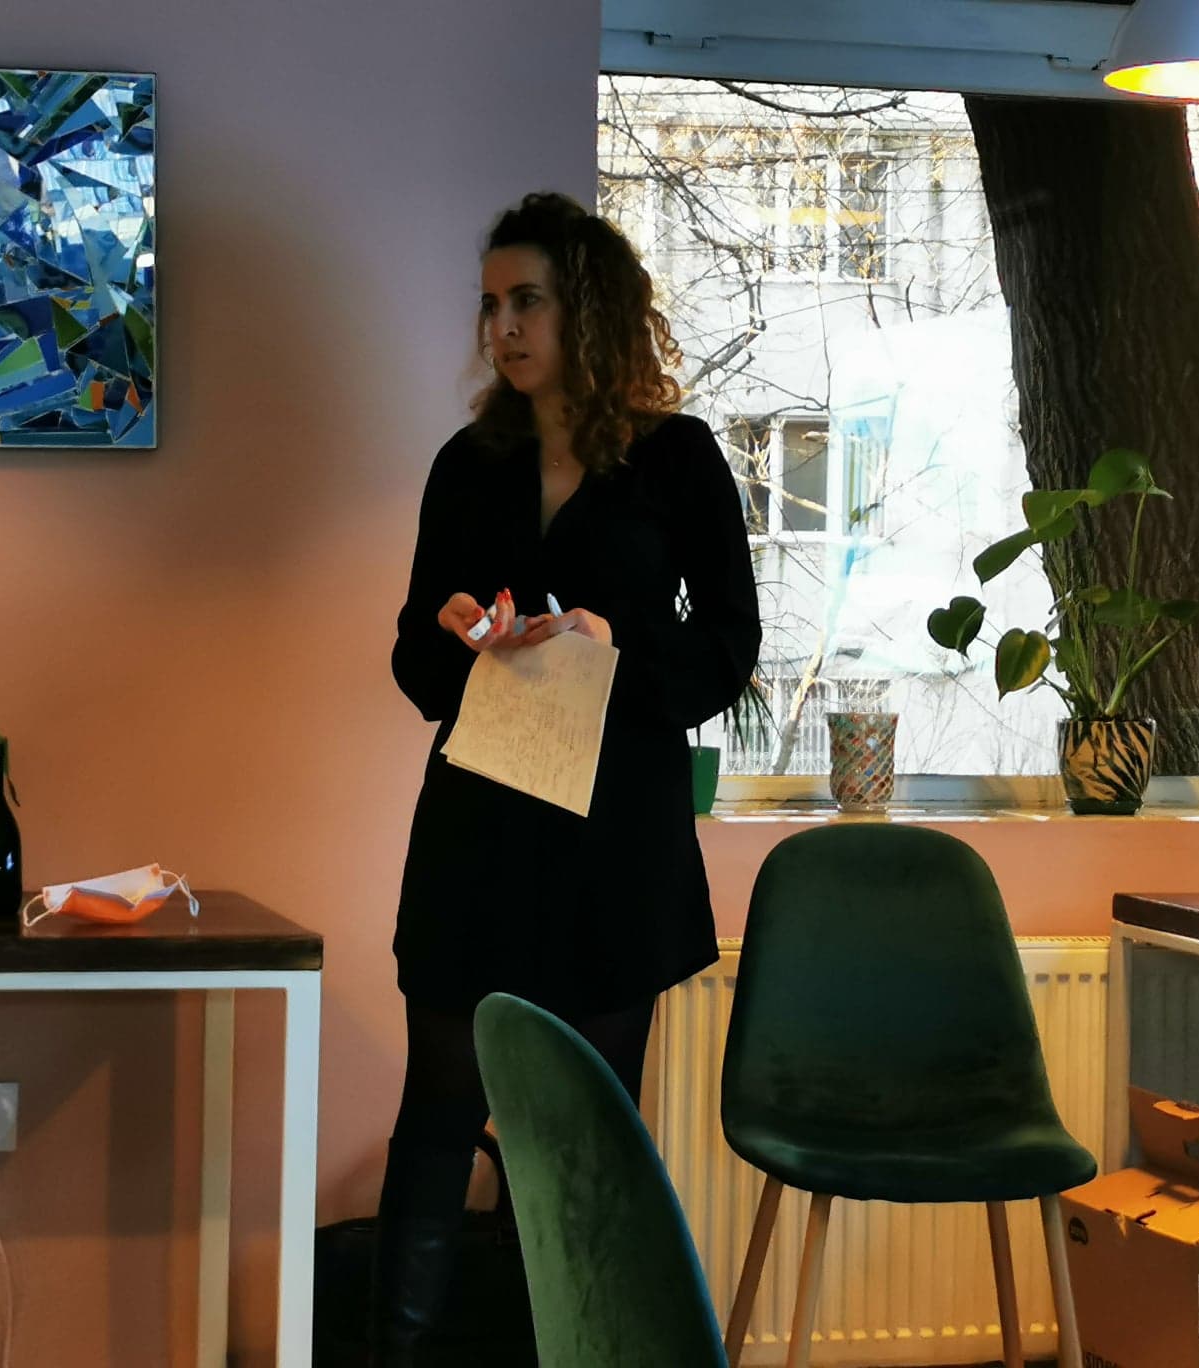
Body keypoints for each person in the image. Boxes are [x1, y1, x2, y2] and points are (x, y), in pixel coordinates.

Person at [376, 191, 762, 1362]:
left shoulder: (676, 458)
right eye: (490, 304)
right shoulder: (467, 463)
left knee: (587, 1132)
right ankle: (399, 1351)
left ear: (588, 309)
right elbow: (413, 662)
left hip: (614, 841)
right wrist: (453, 632)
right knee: (440, 1108)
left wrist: (613, 642)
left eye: (527, 300)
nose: (502, 326)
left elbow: (730, 649)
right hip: (478, 827)